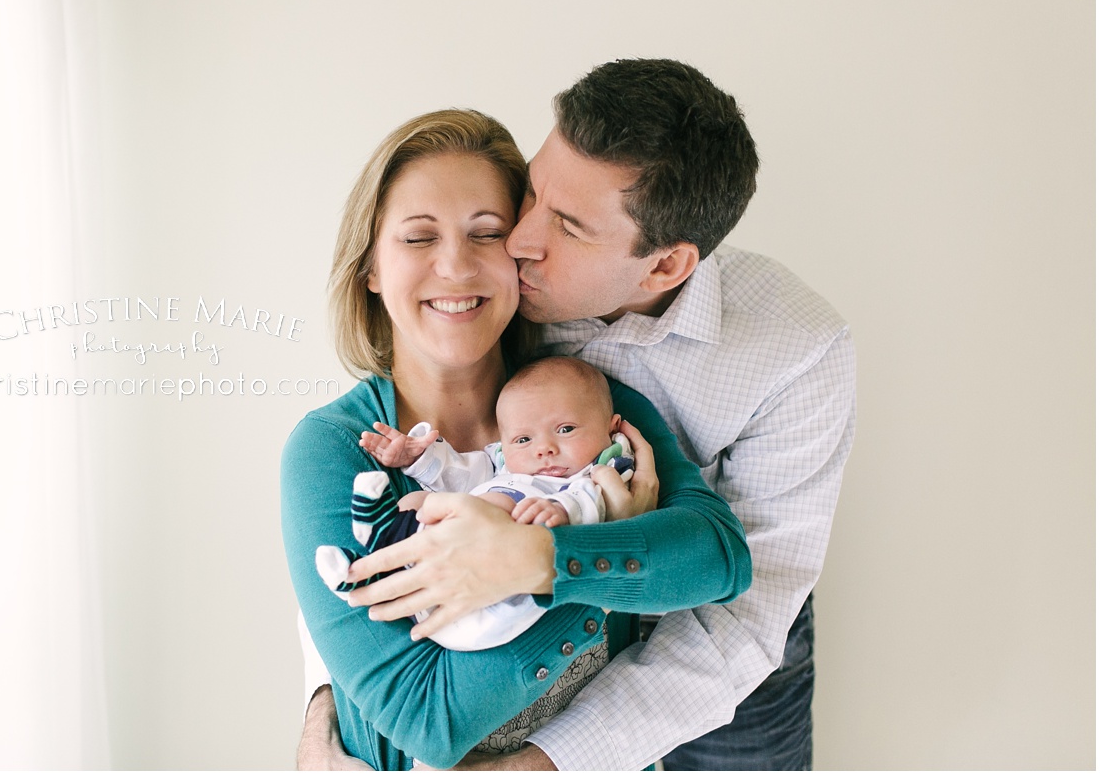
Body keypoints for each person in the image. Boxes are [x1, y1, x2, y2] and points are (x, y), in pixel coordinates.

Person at [313, 59, 857, 770]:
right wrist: (326, 702)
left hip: (727, 644)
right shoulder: (491, 294)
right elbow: (355, 503)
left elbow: (747, 599)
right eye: (532, 193)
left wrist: (546, 760)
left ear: (664, 267)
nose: (517, 240)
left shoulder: (798, 351)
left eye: (566, 225)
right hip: (515, 633)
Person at [314, 356, 637, 652]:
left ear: (611, 426)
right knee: (418, 500)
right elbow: (458, 474)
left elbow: (597, 502)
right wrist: (418, 458)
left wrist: (562, 509)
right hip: (438, 575)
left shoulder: (599, 472)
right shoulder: (503, 466)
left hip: (499, 589)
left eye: (565, 429)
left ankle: (380, 548)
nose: (544, 449)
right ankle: (370, 559)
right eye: (523, 439)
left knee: (483, 507)